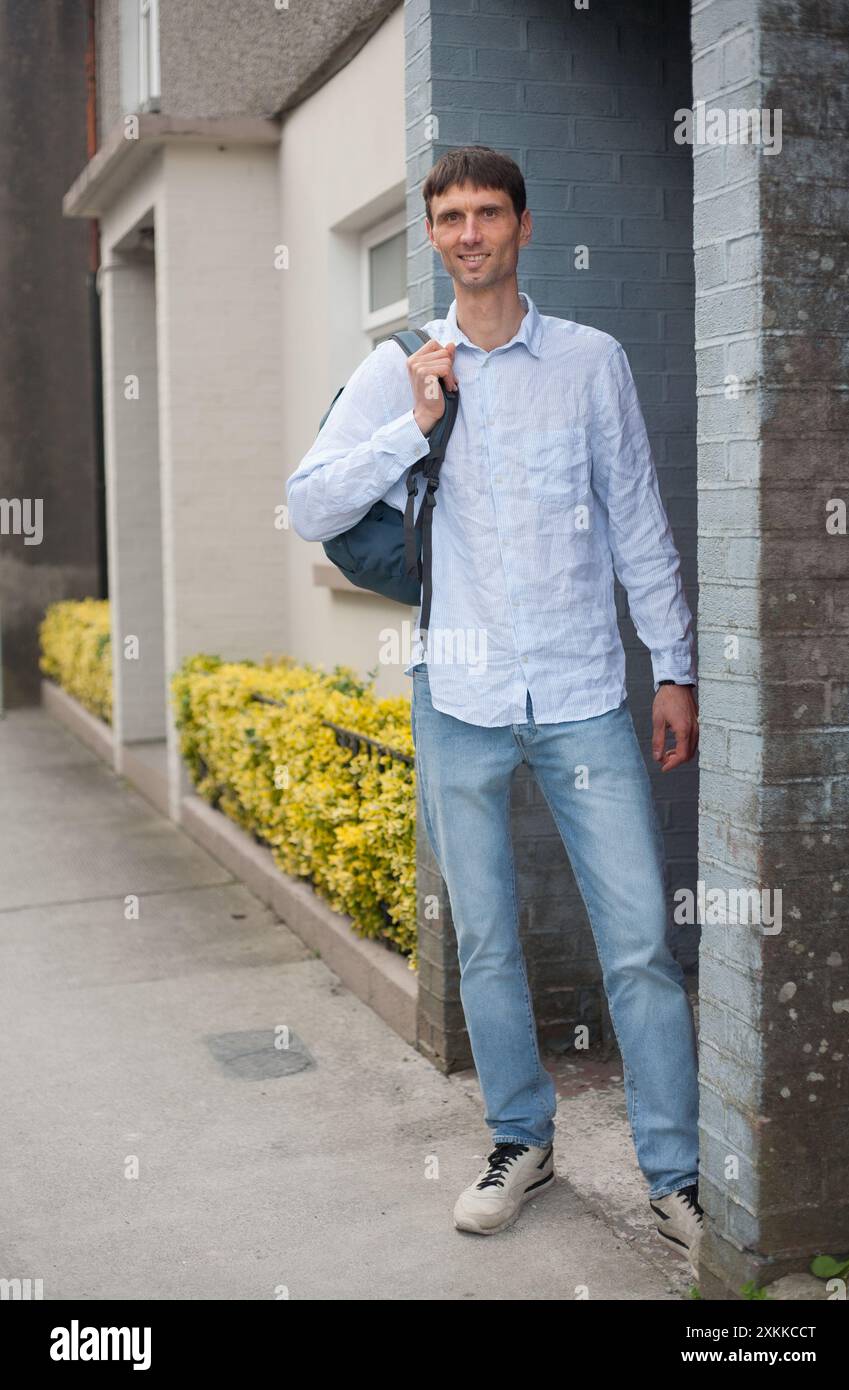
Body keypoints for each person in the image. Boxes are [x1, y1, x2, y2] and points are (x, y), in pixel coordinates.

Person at [286, 145, 704, 1278]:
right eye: (448, 217)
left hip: (577, 691)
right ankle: (520, 1141)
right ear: (430, 234)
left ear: (520, 226)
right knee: (482, 940)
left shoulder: (590, 362)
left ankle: (673, 1174)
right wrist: (411, 421)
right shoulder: (398, 369)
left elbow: (635, 519)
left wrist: (672, 667)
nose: (467, 233)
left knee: (637, 949)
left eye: (486, 213)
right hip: (458, 696)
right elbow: (306, 503)